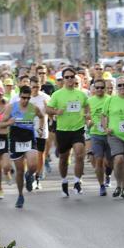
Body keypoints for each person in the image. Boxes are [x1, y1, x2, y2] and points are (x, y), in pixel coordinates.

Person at [45, 68, 91, 198]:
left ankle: (77, 181)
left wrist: (87, 114)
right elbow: (48, 109)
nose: (70, 79)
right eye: (67, 77)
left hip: (78, 129)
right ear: (63, 79)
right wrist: (55, 112)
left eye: (72, 77)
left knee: (79, 154)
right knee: (64, 159)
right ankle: (64, 181)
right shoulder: (57, 94)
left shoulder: (81, 94)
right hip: (63, 131)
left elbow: (87, 106)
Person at [2, 86, 45, 208]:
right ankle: (20, 195)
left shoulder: (33, 108)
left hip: (29, 140)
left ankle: (29, 175)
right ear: (19, 96)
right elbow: (1, 123)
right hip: (16, 141)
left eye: (28, 98)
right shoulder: (11, 107)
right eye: (23, 98)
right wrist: (9, 123)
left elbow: (42, 117)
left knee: (33, 166)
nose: (25, 100)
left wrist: (40, 128)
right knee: (19, 171)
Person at [87, 78, 111, 196]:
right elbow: (86, 116)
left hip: (110, 134)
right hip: (96, 134)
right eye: (97, 88)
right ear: (94, 89)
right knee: (99, 160)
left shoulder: (110, 100)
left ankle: (108, 174)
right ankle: (102, 185)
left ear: (105, 89)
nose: (100, 90)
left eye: (102, 87)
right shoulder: (90, 101)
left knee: (110, 162)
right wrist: (89, 122)